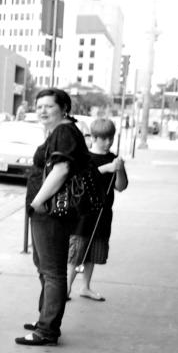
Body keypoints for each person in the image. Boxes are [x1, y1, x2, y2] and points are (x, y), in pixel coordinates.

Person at [16, 88, 91, 347]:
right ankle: (45, 319)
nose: (43, 111)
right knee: (45, 267)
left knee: (52, 271)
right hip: (46, 213)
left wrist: (36, 203)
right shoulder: (59, 132)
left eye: (49, 106)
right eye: (39, 107)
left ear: (64, 108)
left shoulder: (64, 131)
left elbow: (62, 169)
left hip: (49, 212)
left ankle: (47, 330)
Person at [66, 117, 129, 301]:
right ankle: (66, 288)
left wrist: (119, 169)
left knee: (93, 252)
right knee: (76, 252)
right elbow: (81, 181)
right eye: (103, 138)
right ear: (93, 137)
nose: (108, 141)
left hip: (103, 213)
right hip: (83, 214)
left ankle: (85, 287)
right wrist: (107, 168)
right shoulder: (84, 158)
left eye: (110, 137)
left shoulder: (113, 158)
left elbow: (121, 186)